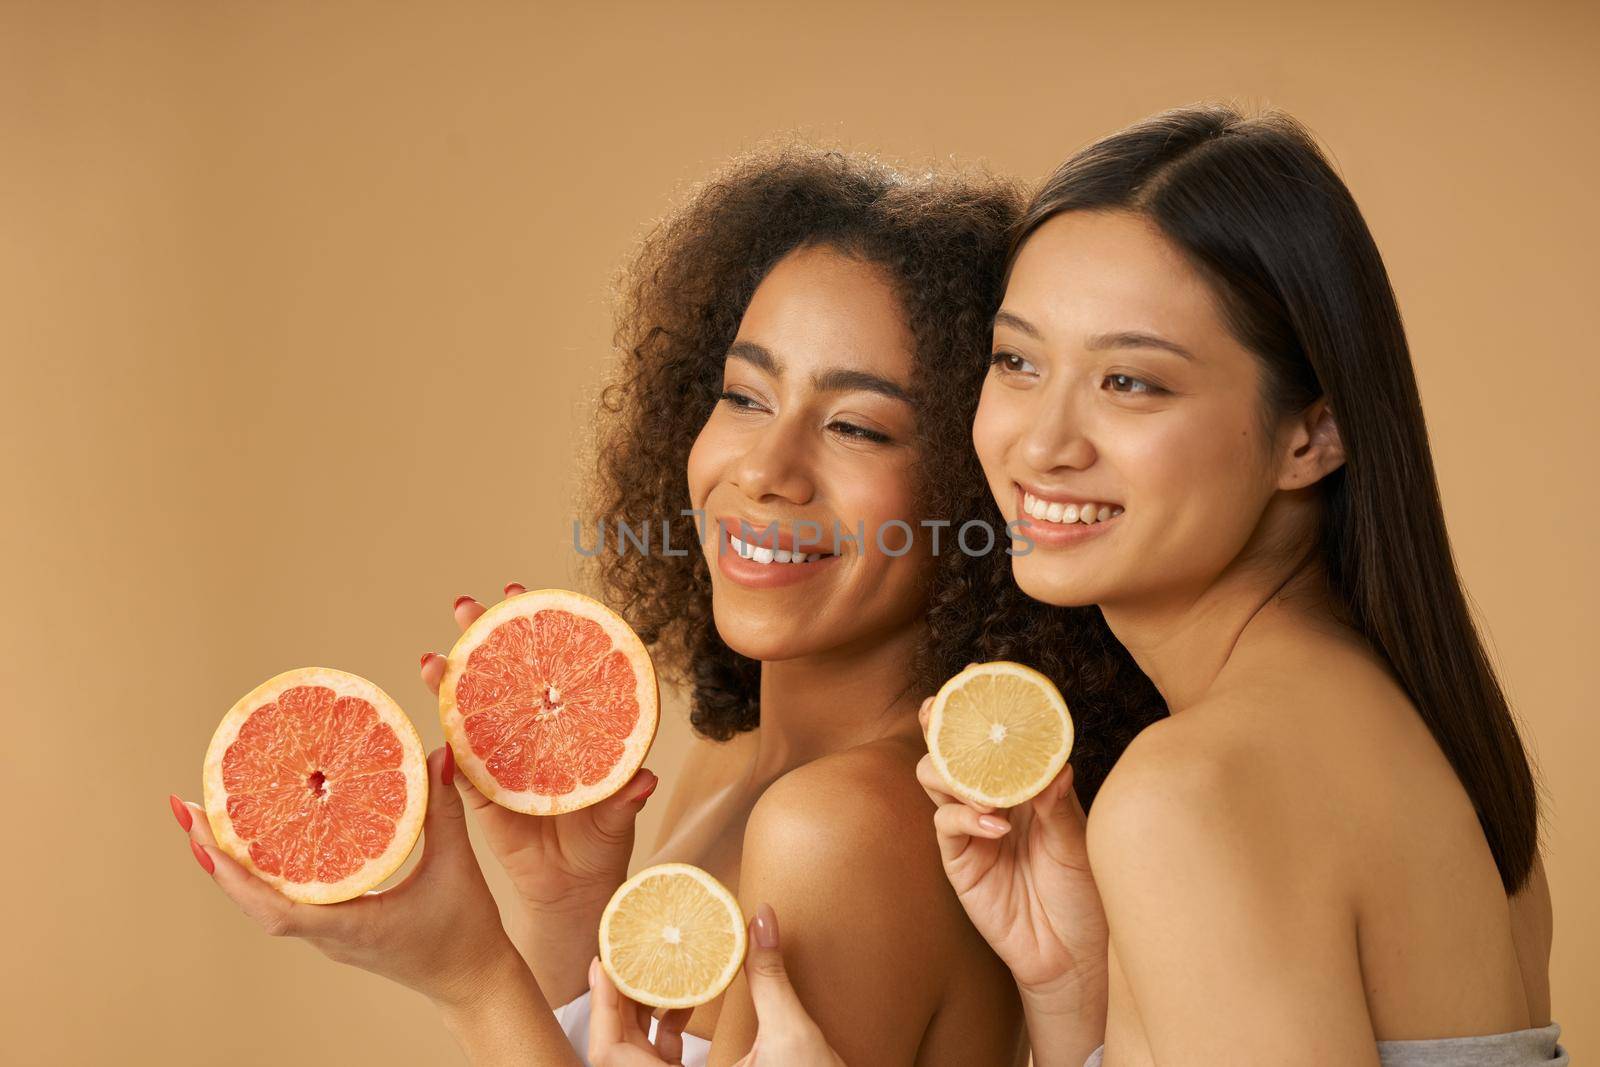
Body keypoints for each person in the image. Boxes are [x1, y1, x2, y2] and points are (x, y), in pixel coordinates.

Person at [174, 144, 1163, 1065]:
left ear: (976, 482)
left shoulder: (843, 826)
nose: (766, 470)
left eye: (856, 426)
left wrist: (470, 977)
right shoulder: (735, 762)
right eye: (742, 396)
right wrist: (565, 909)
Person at [916, 104, 1566, 1065]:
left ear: (1312, 434)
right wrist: (1074, 987)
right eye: (1016, 360)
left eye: (1130, 381)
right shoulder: (1451, 761)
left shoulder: (1192, 796)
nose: (1042, 443)